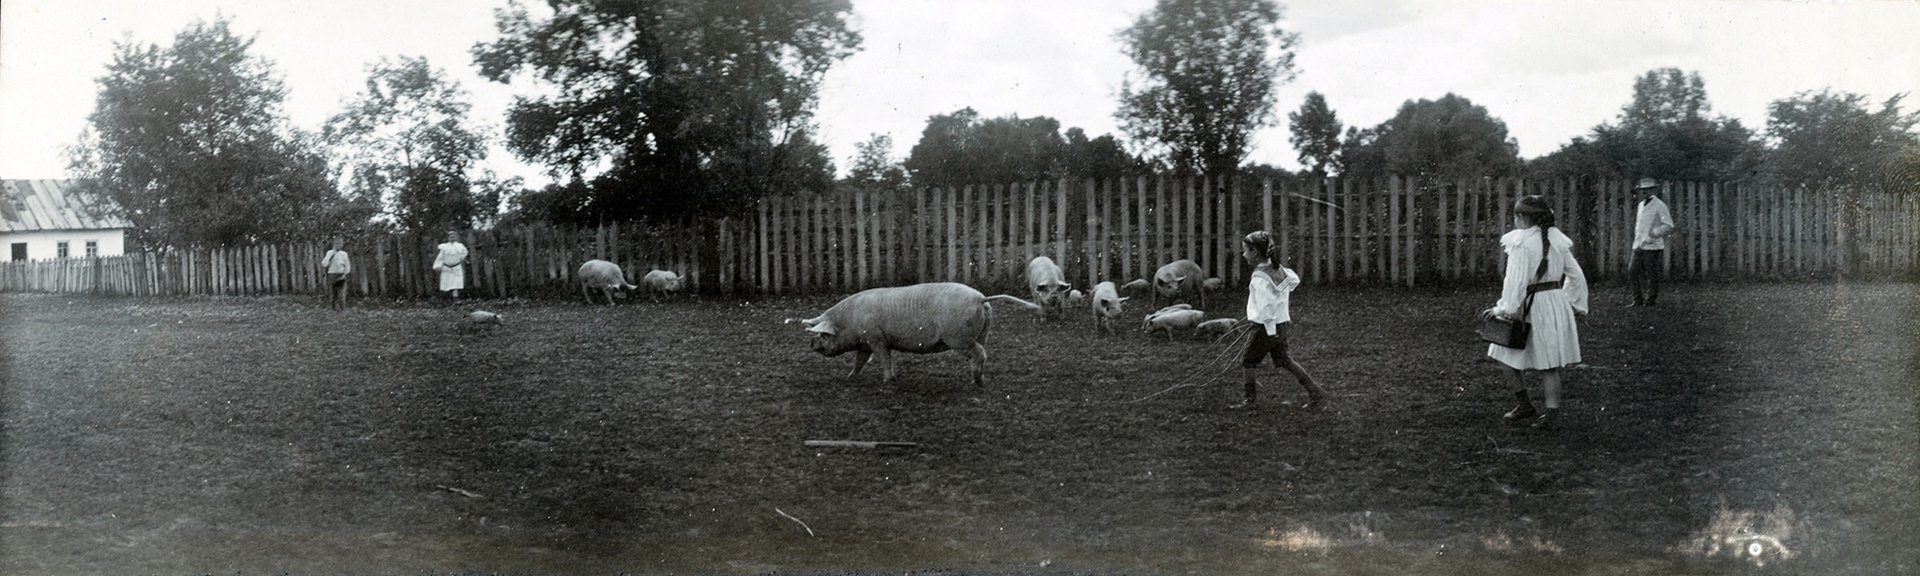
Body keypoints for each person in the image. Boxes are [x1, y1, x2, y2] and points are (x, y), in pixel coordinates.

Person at [1483, 195, 1588, 429]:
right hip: (1553, 302)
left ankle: (1534, 408)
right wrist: (1572, 304)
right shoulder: (1557, 239)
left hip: (1530, 305)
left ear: (1522, 218)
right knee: (1547, 363)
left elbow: (1515, 283)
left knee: (1506, 354)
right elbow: (1577, 276)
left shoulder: (1521, 243)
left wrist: (1503, 309)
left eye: (1515, 216)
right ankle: (1539, 411)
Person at [1230, 230, 1327, 410]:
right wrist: (1277, 296)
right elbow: (1293, 281)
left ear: (1255, 253)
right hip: (1280, 325)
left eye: (1245, 251)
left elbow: (1267, 307)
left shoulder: (1259, 278)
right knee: (1284, 360)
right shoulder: (1277, 269)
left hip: (1266, 327)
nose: (1243, 255)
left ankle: (1250, 401)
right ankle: (1316, 392)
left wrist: (1266, 327)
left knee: (1248, 361)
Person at [1628, 177, 1674, 307]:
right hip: (1638, 244)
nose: (1645, 192)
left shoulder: (1659, 205)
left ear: (1653, 190)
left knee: (1651, 273)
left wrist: (1654, 233)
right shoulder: (1640, 205)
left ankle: (1650, 300)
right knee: (1632, 271)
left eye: (1648, 190)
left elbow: (1669, 225)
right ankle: (1637, 299)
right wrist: (1638, 240)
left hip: (1653, 245)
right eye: (1643, 190)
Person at [433, 230, 469, 300]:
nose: (452, 238)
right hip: (447, 268)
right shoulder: (444, 247)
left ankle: (455, 299)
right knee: (446, 283)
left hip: (456, 267)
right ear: (448, 238)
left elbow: (465, 252)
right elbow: (440, 257)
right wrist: (437, 266)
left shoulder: (460, 246)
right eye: (451, 237)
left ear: (456, 238)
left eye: (454, 237)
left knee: (456, 284)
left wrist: (462, 257)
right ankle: (446, 299)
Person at [320, 236, 351, 310]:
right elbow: (324, 264)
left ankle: (342, 308)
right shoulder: (330, 253)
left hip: (341, 274)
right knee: (332, 292)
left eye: (340, 243)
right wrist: (329, 257)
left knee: (342, 293)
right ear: (333, 244)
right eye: (336, 243)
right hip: (332, 274)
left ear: (342, 245)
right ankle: (332, 308)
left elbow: (348, 265)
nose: (338, 245)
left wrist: (344, 274)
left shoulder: (344, 254)